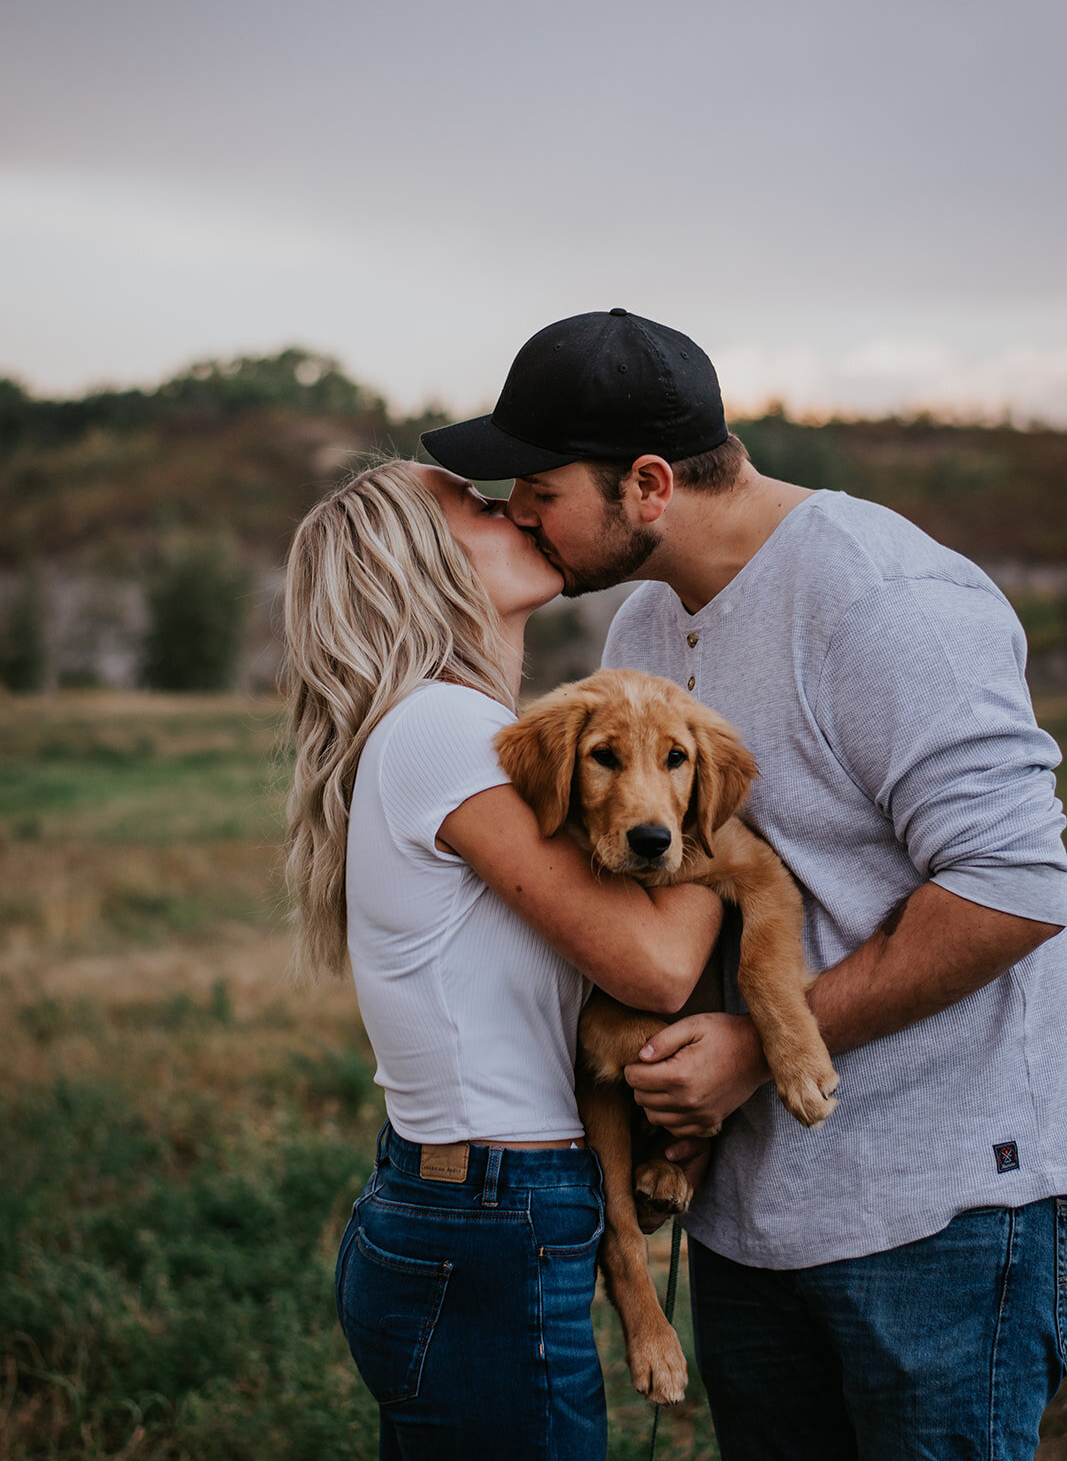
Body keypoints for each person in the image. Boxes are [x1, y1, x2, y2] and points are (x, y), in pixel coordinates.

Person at [421, 308, 1067, 1461]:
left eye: (539, 484)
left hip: (932, 1217)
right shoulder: (645, 622)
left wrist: (759, 1043)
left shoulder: (887, 602)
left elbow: (1016, 885)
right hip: (744, 1214)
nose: (516, 509)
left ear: (650, 483)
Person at [282, 457, 721, 1461]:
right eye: (478, 506)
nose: (518, 506)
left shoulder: (444, 729)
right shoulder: (449, 728)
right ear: (418, 564)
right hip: (487, 1219)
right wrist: (718, 839)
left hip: (472, 1207)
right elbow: (651, 967)